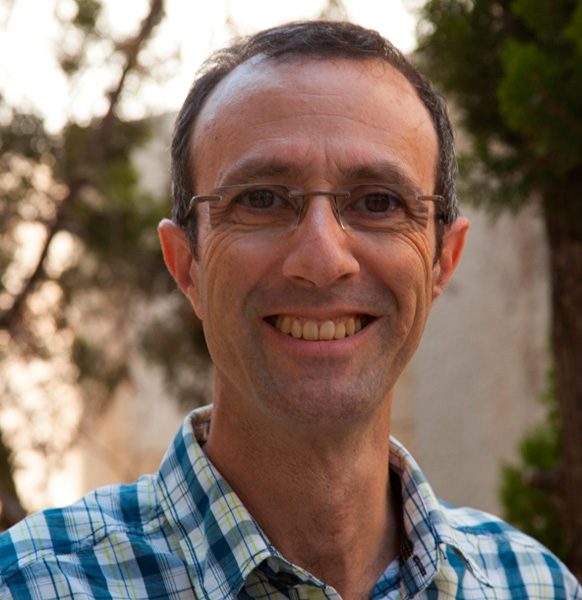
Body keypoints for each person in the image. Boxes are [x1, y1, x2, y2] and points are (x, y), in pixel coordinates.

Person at [0, 20, 580, 600]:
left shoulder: (536, 585)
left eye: (379, 202)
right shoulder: (32, 585)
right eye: (262, 200)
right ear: (186, 265)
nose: (323, 259)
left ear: (441, 262)